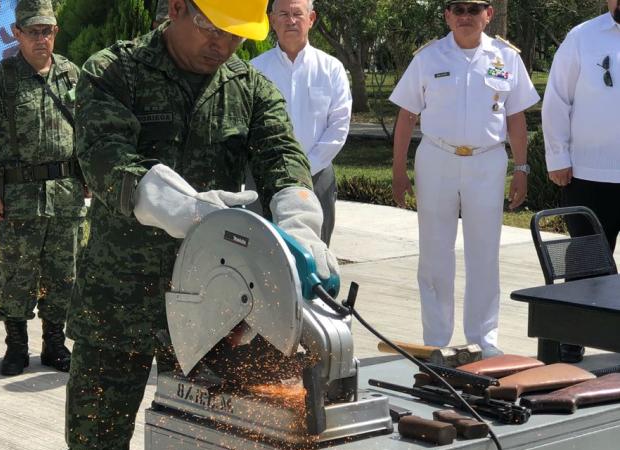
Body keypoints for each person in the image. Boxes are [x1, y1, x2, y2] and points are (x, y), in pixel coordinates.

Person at [56, 0, 340, 450]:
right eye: (213, 29)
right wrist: (185, 210)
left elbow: (283, 157)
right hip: (116, 305)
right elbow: (106, 163)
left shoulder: (248, 87)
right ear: (177, 9)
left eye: (236, 36)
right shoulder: (114, 71)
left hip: (208, 311)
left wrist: (302, 227)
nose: (223, 45)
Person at [389, 0, 539, 357]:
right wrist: (398, 168)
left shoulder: (506, 57)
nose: (466, 16)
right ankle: (437, 339)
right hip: (437, 158)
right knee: (435, 253)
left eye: (474, 8)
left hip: (486, 162)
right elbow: (407, 115)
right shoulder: (428, 58)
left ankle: (484, 338)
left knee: (484, 252)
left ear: (488, 14)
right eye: (458, 8)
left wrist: (521, 168)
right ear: (447, 15)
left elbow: (516, 118)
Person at [0, 0, 86, 376]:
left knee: (63, 274)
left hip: (65, 197)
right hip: (17, 199)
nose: (41, 39)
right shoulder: (2, 79)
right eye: (32, 32)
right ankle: (16, 346)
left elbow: (88, 129)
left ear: (55, 32)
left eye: (47, 31)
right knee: (17, 275)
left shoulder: (71, 75)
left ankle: (54, 345)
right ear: (16, 33)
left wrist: (88, 179)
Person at [542, 0, 620, 363]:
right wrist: (558, 156)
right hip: (588, 174)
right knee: (586, 261)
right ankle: (573, 339)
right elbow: (557, 98)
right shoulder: (583, 37)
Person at [251, 0, 352, 245]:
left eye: (298, 13)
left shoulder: (331, 68)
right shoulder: (254, 70)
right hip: (265, 178)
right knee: (262, 254)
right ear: (272, 21)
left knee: (315, 257)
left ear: (311, 19)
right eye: (283, 14)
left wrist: (304, 169)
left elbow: (339, 125)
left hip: (317, 178)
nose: (291, 20)